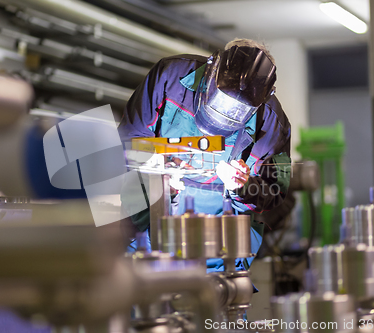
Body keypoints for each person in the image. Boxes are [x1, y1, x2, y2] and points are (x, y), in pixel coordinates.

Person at [118, 38, 291, 272]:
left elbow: (276, 192)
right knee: (141, 289)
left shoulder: (274, 126)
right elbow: (128, 142)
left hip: (219, 243)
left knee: (218, 299)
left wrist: (243, 185)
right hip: (150, 219)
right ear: (214, 70)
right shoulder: (169, 76)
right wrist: (158, 169)